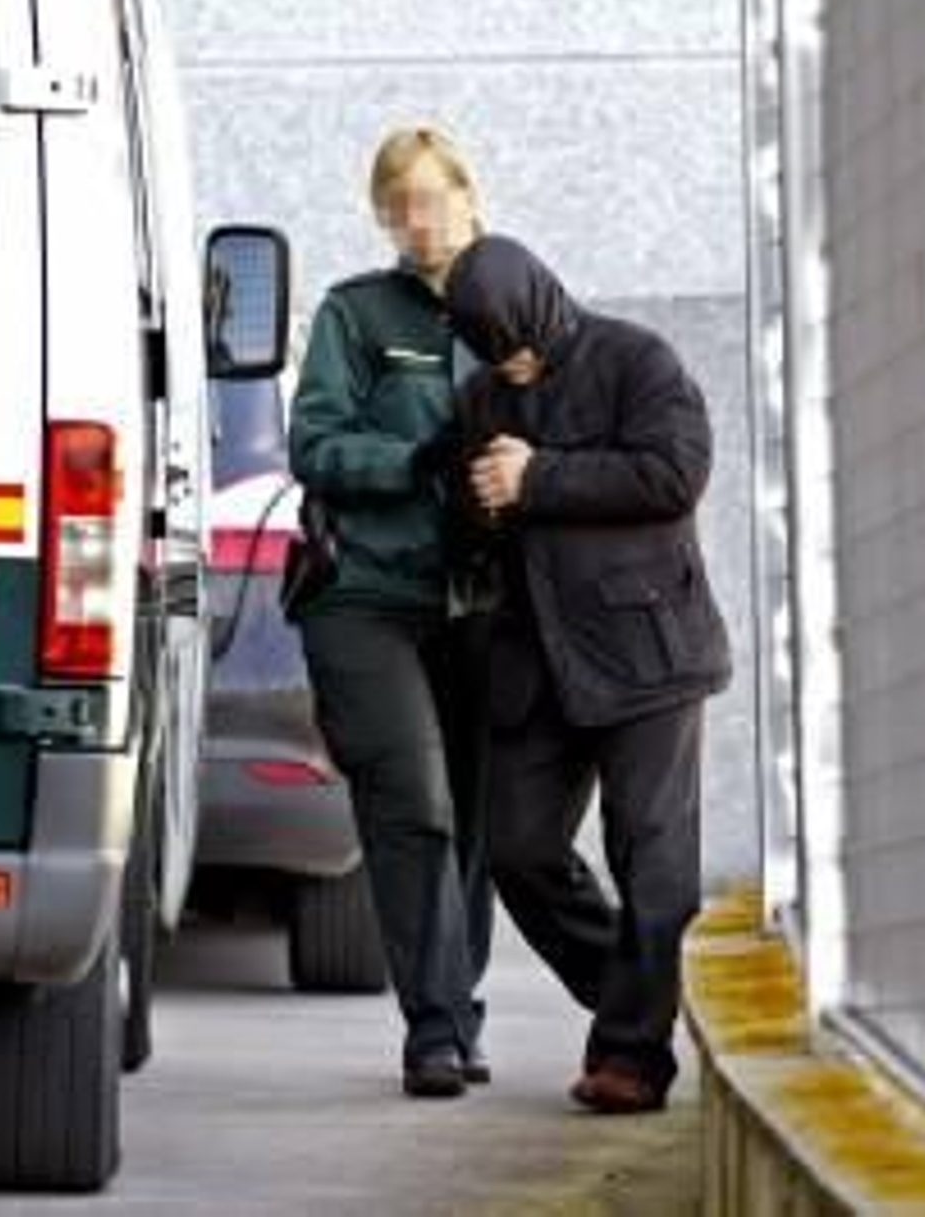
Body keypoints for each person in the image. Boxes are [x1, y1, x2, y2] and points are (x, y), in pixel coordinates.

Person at [441, 233, 731, 1114]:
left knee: (650, 853)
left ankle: (631, 1056)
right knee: (520, 849)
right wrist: (479, 500)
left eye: (523, 349)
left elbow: (675, 473)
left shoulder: (637, 360)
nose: (516, 368)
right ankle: (636, 994)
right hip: (538, 664)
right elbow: (470, 525)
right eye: (497, 355)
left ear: (544, 304)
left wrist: (538, 478)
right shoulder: (481, 396)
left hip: (649, 654)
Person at [287, 126, 494, 1098]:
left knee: (480, 817)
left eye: (430, 197)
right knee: (415, 803)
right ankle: (435, 1029)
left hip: (479, 600)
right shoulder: (356, 313)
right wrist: (411, 460)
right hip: (367, 594)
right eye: (397, 203)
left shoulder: (512, 313)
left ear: (468, 196)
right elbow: (314, 444)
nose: (417, 219)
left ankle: (460, 1008)